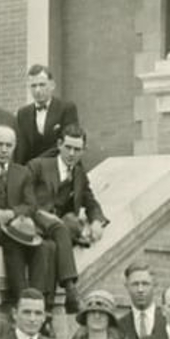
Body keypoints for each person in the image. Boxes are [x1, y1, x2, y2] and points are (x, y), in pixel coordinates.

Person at [27, 126, 106, 313]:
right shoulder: (38, 166)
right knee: (62, 227)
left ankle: (46, 310)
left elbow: (91, 201)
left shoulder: (79, 174)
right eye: (68, 147)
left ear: (83, 150)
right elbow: (23, 196)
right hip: (36, 219)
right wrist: (39, 212)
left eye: (77, 149)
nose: (72, 153)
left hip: (56, 233)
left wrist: (96, 221)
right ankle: (70, 287)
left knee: (51, 248)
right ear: (59, 144)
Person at [0, 125, 53, 304]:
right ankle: (22, 300)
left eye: (9, 145)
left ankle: (37, 302)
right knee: (13, 245)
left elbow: (31, 205)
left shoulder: (22, 172)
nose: (4, 150)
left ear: (14, 147)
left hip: (17, 226)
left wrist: (12, 213)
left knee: (41, 247)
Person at [14, 64, 80, 165]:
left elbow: (68, 142)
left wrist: (37, 163)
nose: (38, 90)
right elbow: (21, 149)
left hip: (60, 169)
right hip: (32, 174)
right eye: (33, 86)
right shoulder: (23, 114)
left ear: (52, 85)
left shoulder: (67, 108)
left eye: (42, 85)